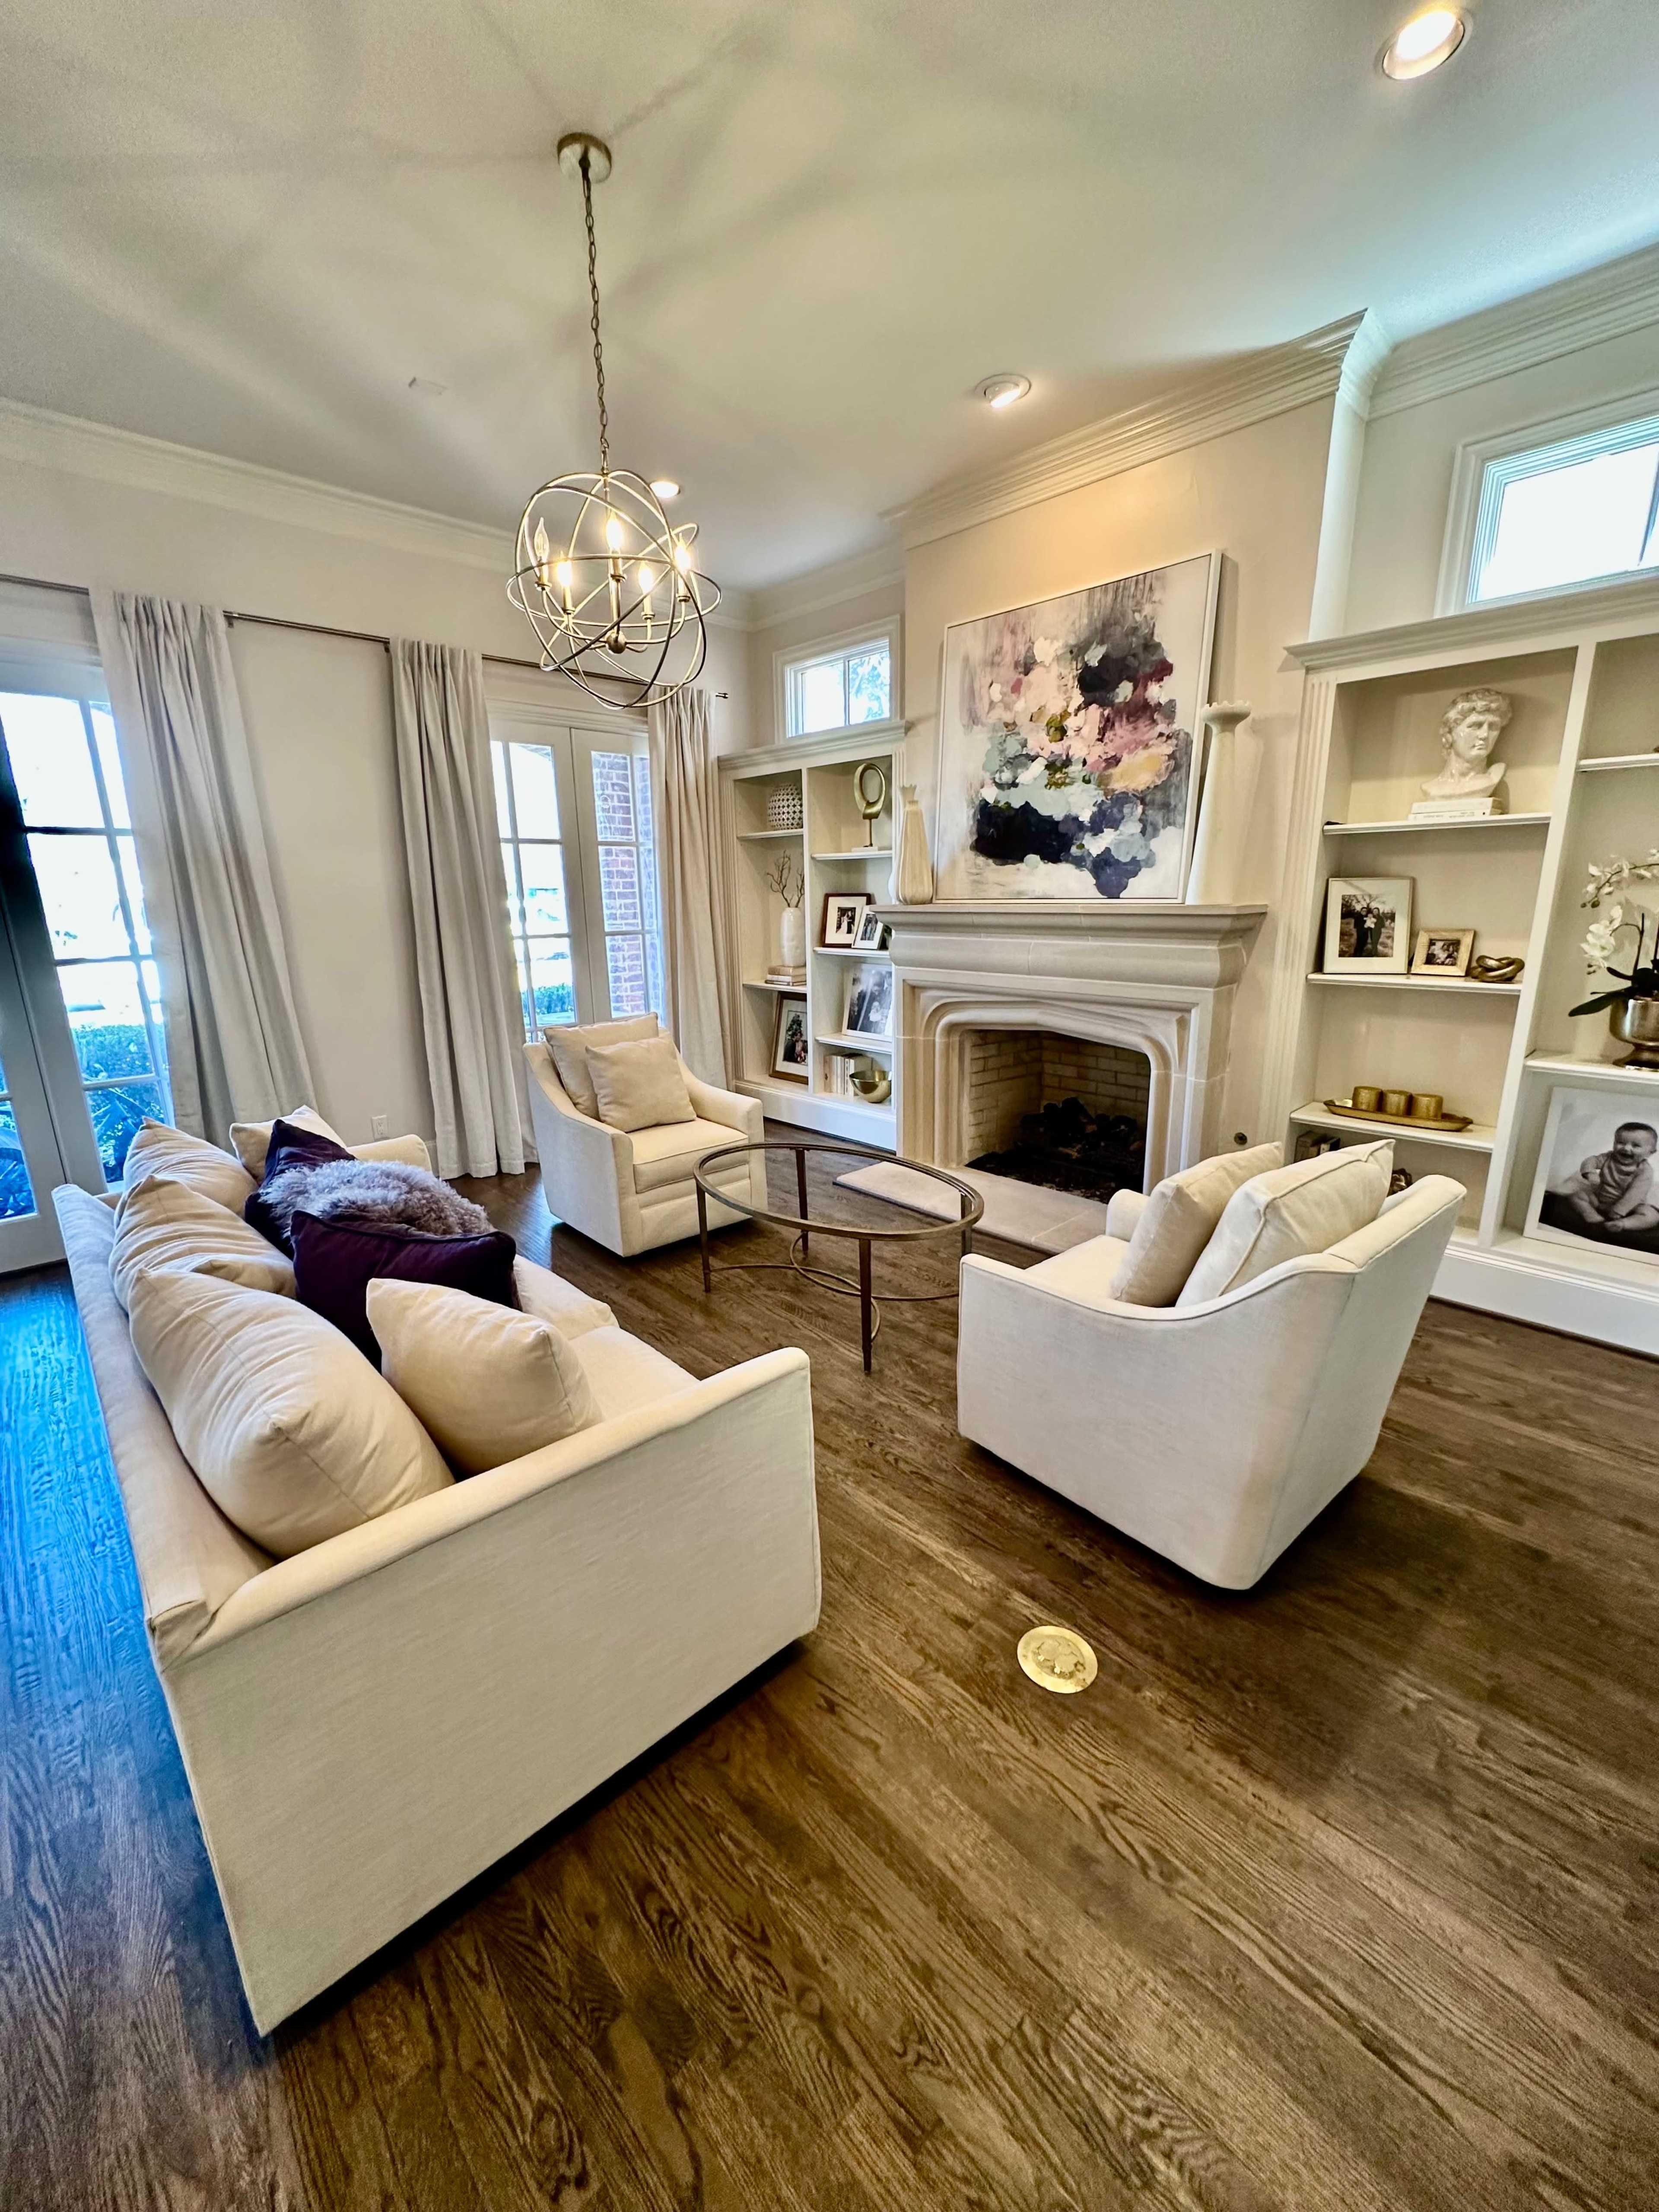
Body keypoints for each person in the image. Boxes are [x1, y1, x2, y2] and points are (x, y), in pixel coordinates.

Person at [1548, 1120, 1659, 1238]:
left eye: (1636, 1146)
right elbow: (1591, 1161)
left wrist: (1619, 1211)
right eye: (1620, 1143)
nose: (1626, 1148)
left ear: (1650, 1153)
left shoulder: (1645, 1172)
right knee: (1577, 1195)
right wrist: (1591, 1173)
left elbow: (1636, 1194)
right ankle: (1590, 1214)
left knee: (1652, 1216)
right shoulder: (1608, 1158)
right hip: (1600, 1201)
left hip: (1630, 1208)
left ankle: (1623, 1224)